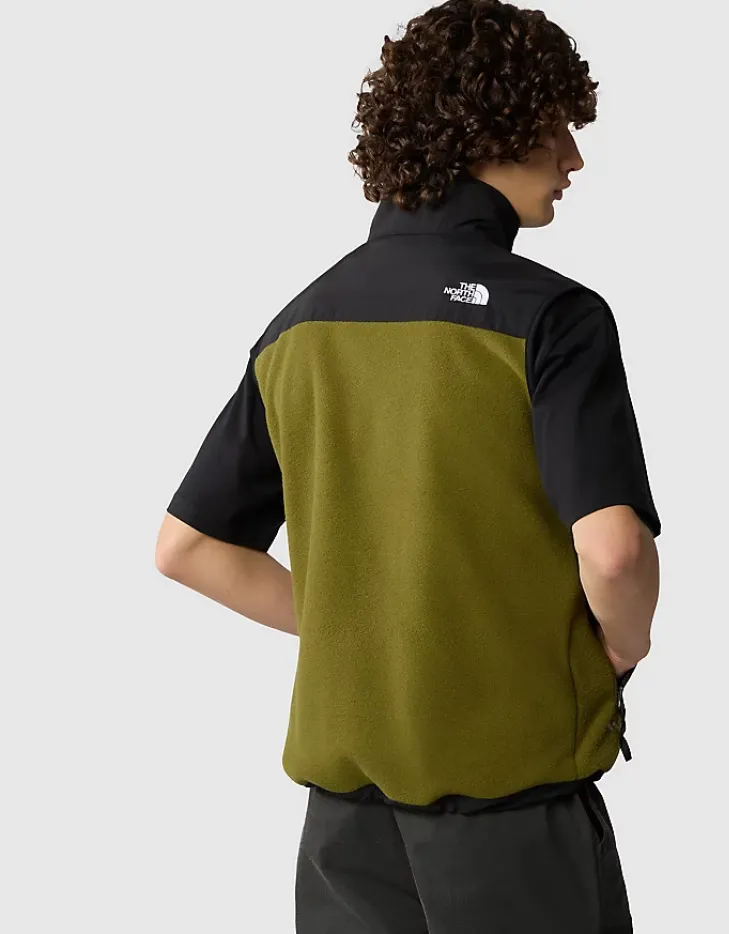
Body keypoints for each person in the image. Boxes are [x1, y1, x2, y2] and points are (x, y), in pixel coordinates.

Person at [155, 0, 661, 930]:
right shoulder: (552, 318)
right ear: (495, 129)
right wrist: (624, 645)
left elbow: (187, 547)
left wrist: (373, 631)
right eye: (558, 129)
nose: (573, 161)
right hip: (511, 818)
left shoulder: (301, 325)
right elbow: (615, 551)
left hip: (341, 832)